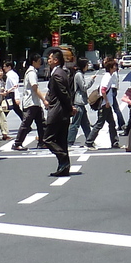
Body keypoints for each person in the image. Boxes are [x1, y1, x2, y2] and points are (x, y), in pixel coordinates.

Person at [42, 48, 74, 177]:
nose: (48, 60)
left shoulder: (57, 74)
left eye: (50, 58)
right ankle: (64, 167)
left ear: (56, 60)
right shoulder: (61, 72)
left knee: (47, 138)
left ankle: (62, 157)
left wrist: (70, 107)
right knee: (61, 140)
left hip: (58, 111)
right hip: (63, 112)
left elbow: (64, 93)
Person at [11, 56, 46, 150]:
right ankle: (17, 143)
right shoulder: (31, 72)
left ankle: (42, 142)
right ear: (33, 62)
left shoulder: (33, 71)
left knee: (41, 123)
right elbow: (35, 87)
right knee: (26, 123)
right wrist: (44, 99)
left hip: (35, 102)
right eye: (38, 61)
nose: (40, 63)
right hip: (31, 102)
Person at [89, 57, 120, 148]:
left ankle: (115, 142)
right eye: (114, 66)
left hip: (107, 104)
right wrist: (106, 101)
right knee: (99, 124)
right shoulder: (107, 77)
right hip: (104, 104)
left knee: (112, 123)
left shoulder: (109, 76)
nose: (116, 68)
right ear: (110, 67)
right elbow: (103, 91)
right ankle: (89, 141)